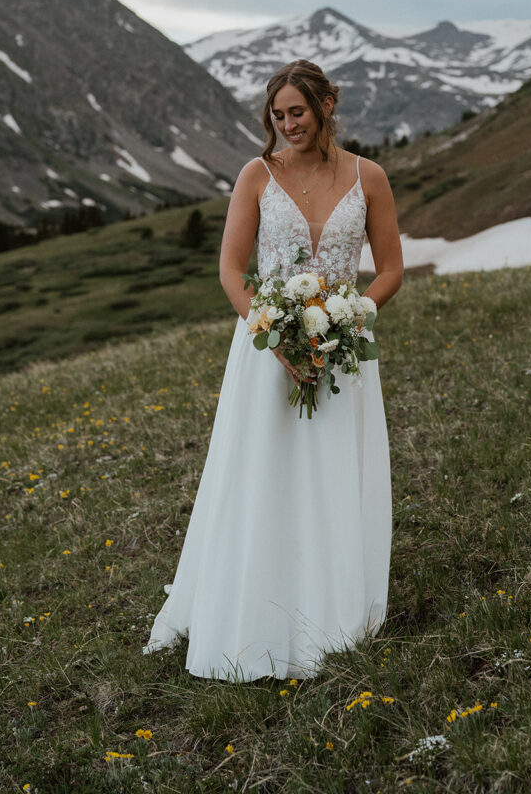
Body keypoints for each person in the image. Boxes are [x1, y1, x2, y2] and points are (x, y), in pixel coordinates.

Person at [143, 59, 403, 680]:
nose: (288, 125)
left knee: (333, 473)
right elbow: (232, 271)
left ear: (327, 106)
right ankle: (252, 610)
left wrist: (351, 316)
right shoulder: (256, 176)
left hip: (341, 351)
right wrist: (270, 334)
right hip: (268, 352)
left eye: (299, 113)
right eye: (278, 115)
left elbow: (391, 268)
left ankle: (331, 611)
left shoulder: (370, 177)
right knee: (265, 475)